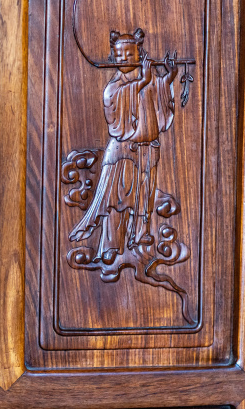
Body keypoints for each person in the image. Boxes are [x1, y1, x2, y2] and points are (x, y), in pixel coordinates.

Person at [69, 28, 179, 264]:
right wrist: (141, 83)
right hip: (122, 153)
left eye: (129, 55)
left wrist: (167, 79)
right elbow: (115, 106)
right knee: (116, 200)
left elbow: (158, 99)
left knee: (143, 196)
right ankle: (110, 246)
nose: (123, 60)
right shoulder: (115, 87)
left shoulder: (147, 77)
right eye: (119, 56)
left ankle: (139, 240)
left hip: (147, 148)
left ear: (139, 54)